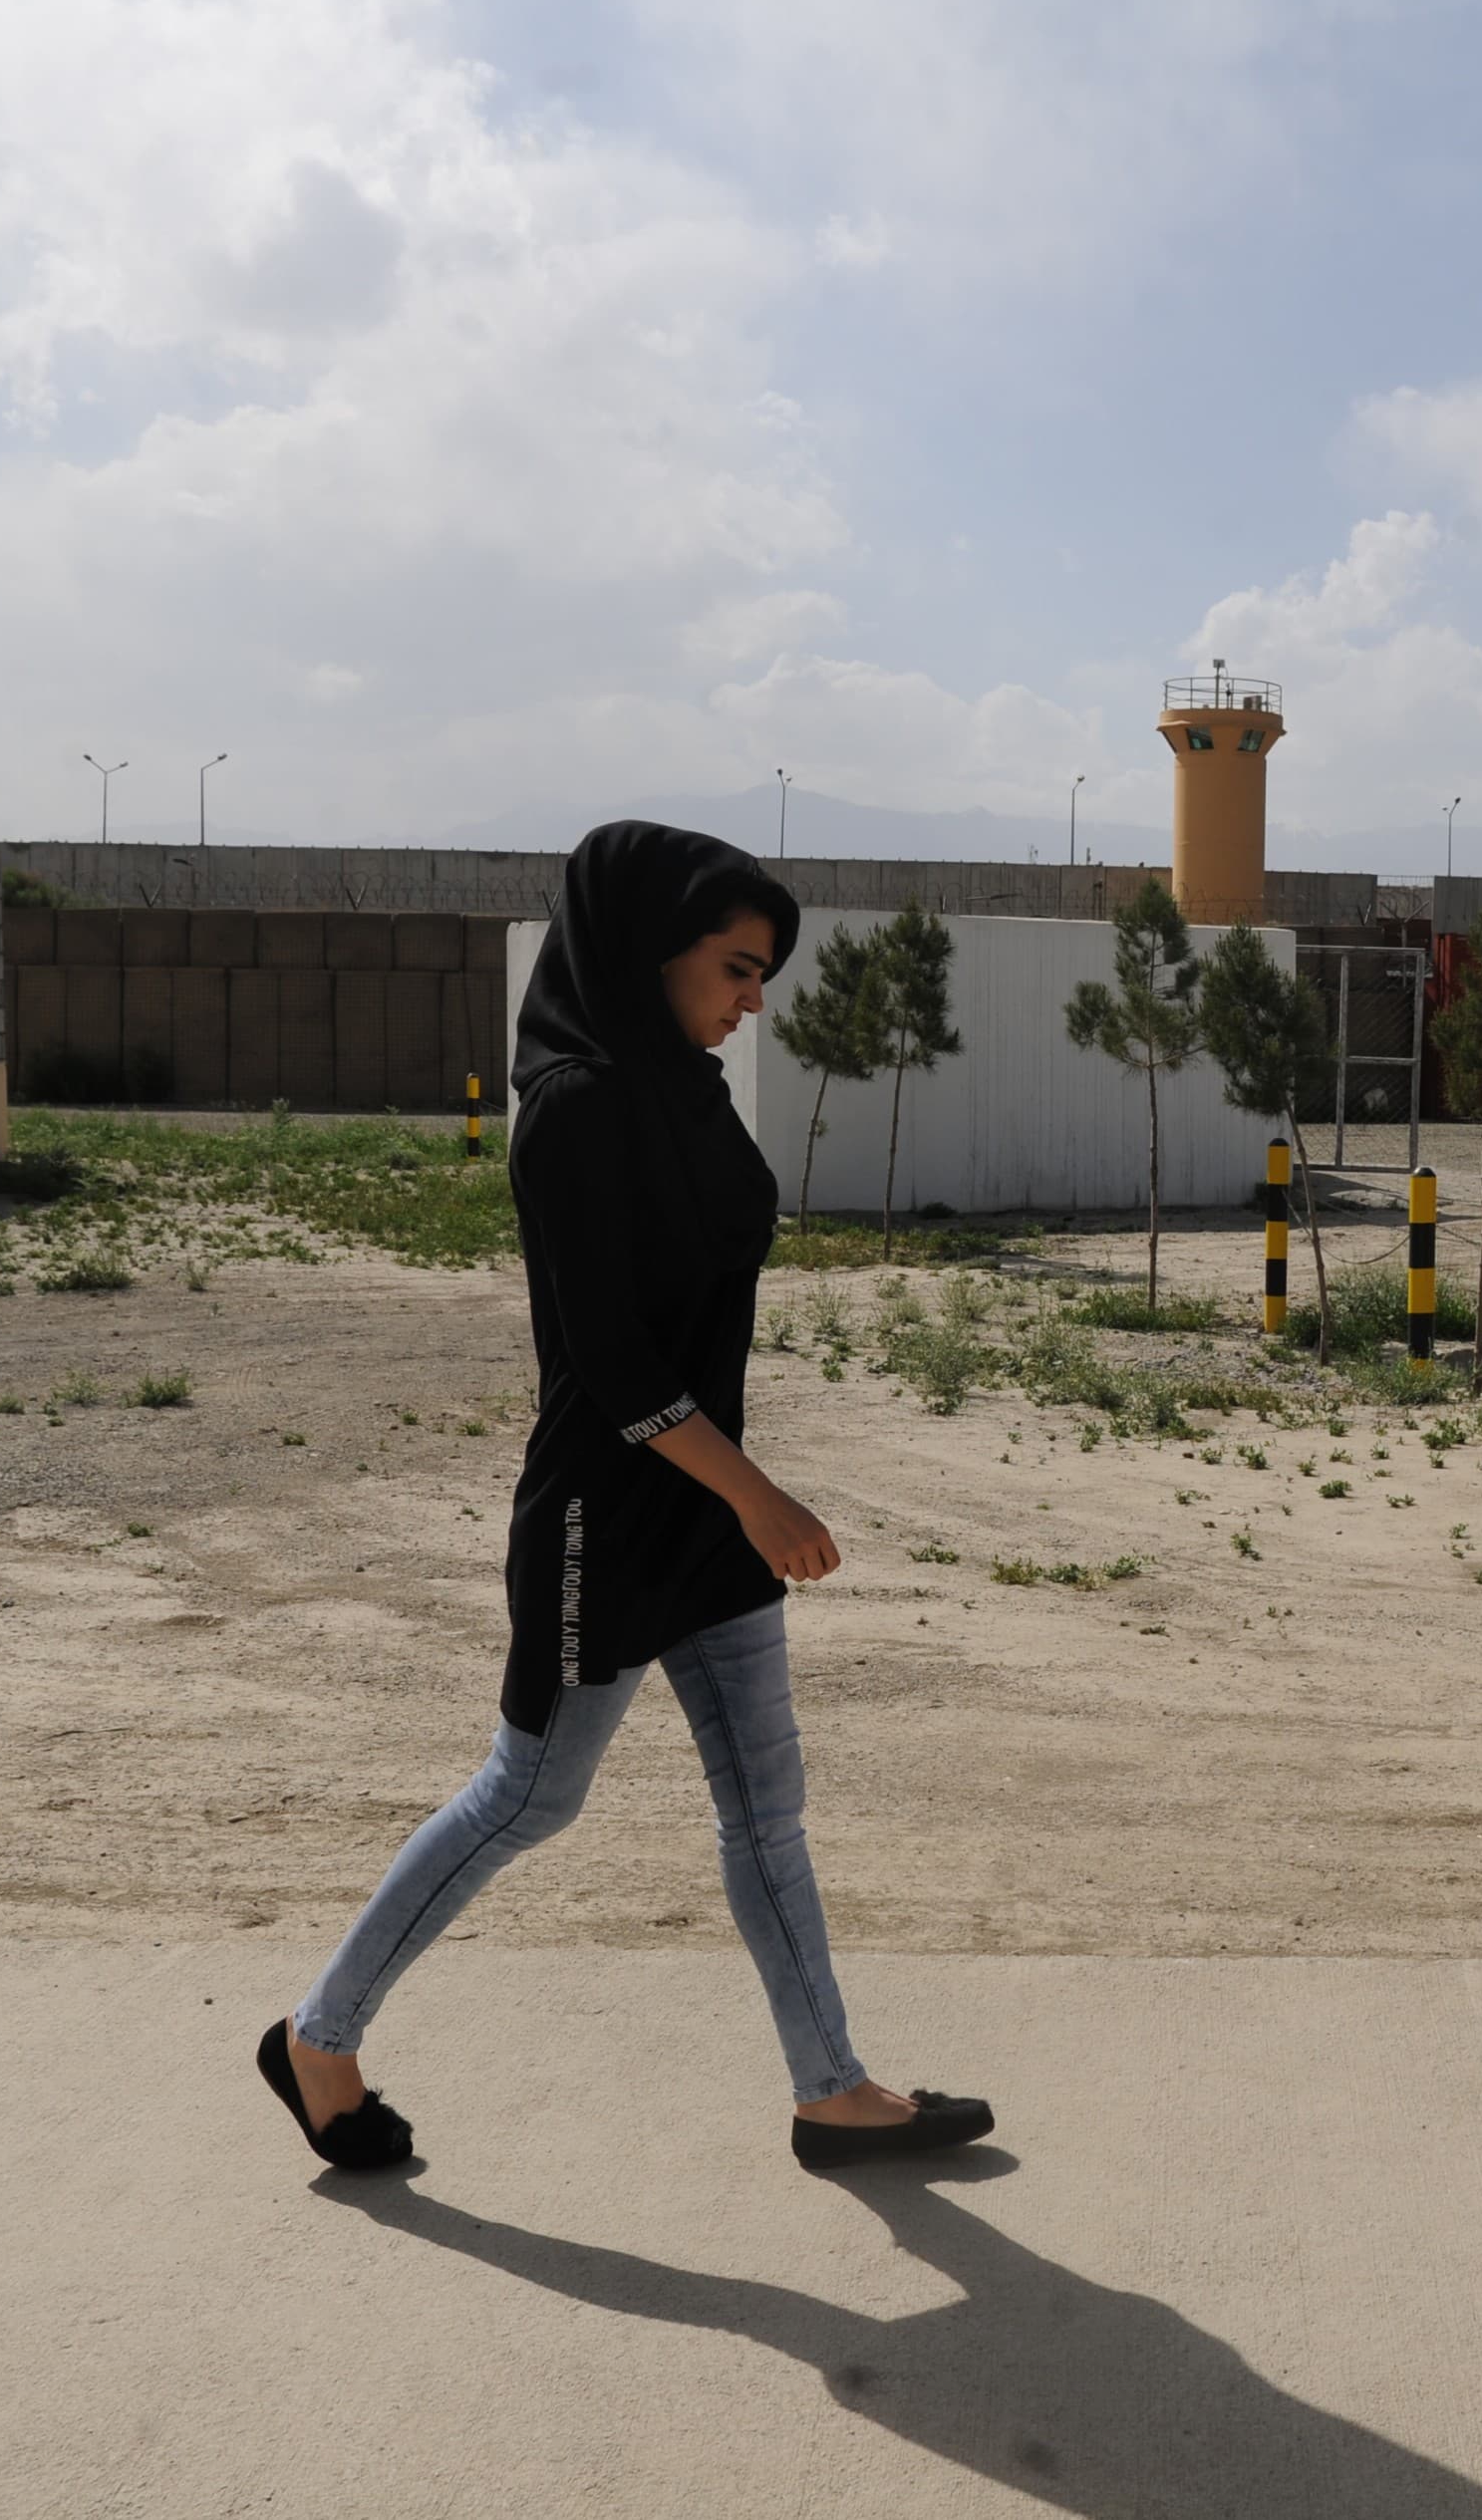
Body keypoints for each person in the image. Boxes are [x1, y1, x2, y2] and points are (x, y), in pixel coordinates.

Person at [257, 819, 992, 2173]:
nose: (753, 1003)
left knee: (767, 1805)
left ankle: (831, 2088)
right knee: (529, 1798)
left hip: (704, 1510)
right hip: (610, 1508)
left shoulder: (685, 1091)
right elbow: (608, 1360)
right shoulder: (576, 1111)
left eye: (763, 973)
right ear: (647, 952)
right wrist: (761, 1497)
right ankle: (319, 2035)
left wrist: (739, 1503)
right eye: (734, 967)